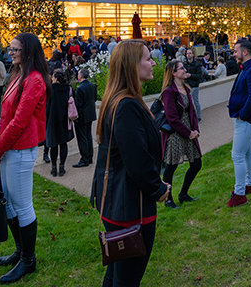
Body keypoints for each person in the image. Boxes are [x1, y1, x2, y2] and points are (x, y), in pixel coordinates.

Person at [90, 39, 170, 286]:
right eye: (148, 58)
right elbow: (137, 161)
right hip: (130, 208)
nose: (153, 63)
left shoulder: (120, 101)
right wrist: (159, 189)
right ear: (132, 66)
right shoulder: (126, 106)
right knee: (126, 279)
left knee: (117, 275)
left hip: (120, 203)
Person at [0, 33, 49, 283]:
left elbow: (19, 121)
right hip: (10, 147)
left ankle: (28, 260)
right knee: (10, 202)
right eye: (9, 49)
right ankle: (21, 251)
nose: (10, 53)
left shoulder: (34, 80)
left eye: (15, 49)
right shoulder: (18, 75)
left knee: (22, 205)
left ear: (28, 52)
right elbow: (5, 116)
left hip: (21, 149)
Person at [160, 60, 203, 209]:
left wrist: (195, 130)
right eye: (181, 68)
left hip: (189, 131)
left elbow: (192, 112)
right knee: (170, 168)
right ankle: (168, 199)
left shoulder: (186, 88)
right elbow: (172, 118)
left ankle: (183, 194)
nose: (185, 70)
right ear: (173, 73)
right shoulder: (169, 92)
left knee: (196, 164)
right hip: (176, 133)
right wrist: (188, 132)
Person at [226, 39, 251, 207]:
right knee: (247, 153)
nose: (234, 54)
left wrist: (242, 115)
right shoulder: (247, 68)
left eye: (236, 51)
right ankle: (249, 184)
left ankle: (240, 194)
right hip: (245, 118)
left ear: (245, 52)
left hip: (247, 119)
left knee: (237, 155)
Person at [46, 69, 75, 177]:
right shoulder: (68, 88)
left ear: (56, 78)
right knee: (63, 144)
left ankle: (54, 168)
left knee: (53, 145)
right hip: (65, 119)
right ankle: (62, 167)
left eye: (53, 77)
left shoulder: (51, 89)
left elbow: (47, 106)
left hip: (52, 120)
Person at [72, 68, 97, 168]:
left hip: (82, 116)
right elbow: (94, 98)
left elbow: (78, 104)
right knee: (88, 136)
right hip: (90, 114)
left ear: (81, 76)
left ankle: (84, 159)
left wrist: (76, 117)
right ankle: (89, 157)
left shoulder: (80, 88)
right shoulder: (92, 85)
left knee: (82, 138)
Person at [183, 49, 204, 122]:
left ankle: (198, 117)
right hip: (187, 86)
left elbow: (199, 76)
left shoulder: (197, 64)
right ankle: (190, 118)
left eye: (190, 53)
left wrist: (191, 75)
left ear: (193, 54)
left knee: (195, 102)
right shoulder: (184, 64)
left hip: (194, 86)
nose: (188, 55)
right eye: (187, 53)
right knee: (187, 103)